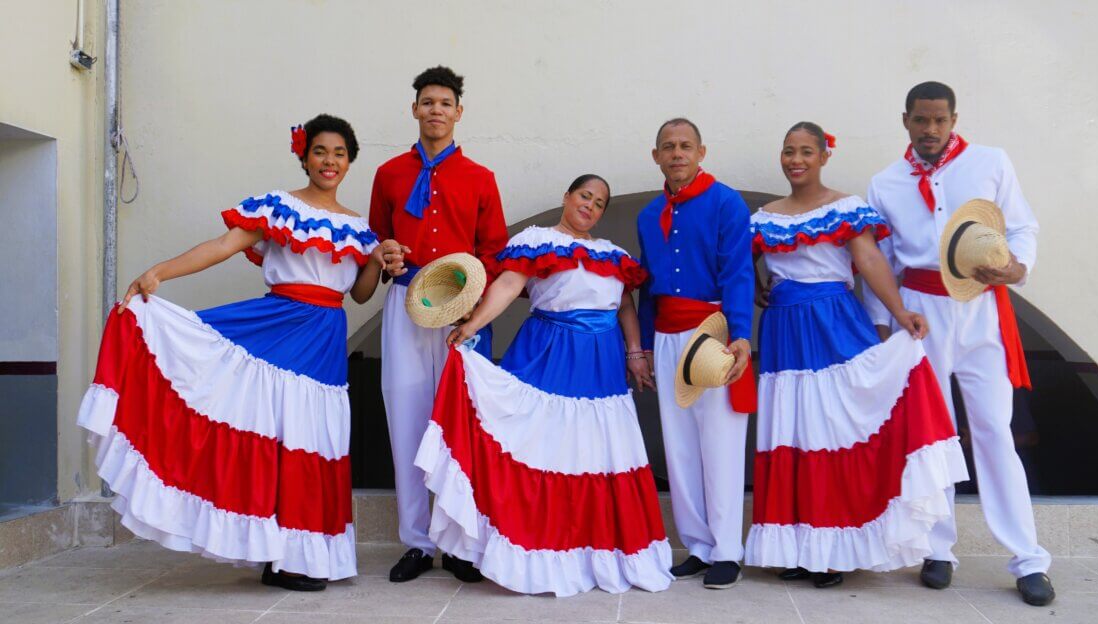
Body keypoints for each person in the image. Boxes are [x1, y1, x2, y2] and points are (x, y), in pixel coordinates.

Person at [76, 114, 403, 591]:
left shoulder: (359, 227)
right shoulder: (279, 207)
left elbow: (358, 295)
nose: (329, 161)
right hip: (277, 325)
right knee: (270, 435)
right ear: (304, 156)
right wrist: (161, 273)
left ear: (350, 161)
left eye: (338, 154)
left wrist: (375, 260)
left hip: (324, 336)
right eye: (319, 152)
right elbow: (225, 245)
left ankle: (291, 554)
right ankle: (281, 557)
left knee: (308, 440)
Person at [412, 175, 671, 596]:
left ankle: (588, 553)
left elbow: (625, 304)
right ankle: (529, 551)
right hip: (549, 355)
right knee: (541, 449)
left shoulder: (613, 254)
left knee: (592, 455)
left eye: (600, 202)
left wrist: (636, 351)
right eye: (584, 196)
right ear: (566, 197)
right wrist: (472, 325)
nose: (590, 206)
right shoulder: (538, 240)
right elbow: (509, 285)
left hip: (601, 365)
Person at [744, 122, 968, 587]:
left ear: (825, 156)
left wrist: (901, 311)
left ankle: (835, 550)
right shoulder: (765, 216)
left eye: (806, 151)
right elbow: (743, 268)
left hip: (833, 323)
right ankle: (801, 547)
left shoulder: (844, 207)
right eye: (788, 151)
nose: (796, 159)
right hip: (784, 329)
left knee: (835, 430)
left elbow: (868, 260)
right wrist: (761, 287)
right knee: (795, 432)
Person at [862, 81, 1054, 606]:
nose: (930, 130)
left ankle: (1028, 557)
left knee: (996, 431)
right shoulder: (885, 182)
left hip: (981, 309)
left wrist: (1017, 266)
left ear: (953, 119)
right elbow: (880, 259)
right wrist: (884, 322)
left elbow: (1022, 227)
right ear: (906, 120)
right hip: (920, 314)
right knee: (932, 434)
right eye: (921, 121)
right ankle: (938, 550)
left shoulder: (990, 161)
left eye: (939, 121)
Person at [369, 65, 509, 583]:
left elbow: (493, 250)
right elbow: (376, 239)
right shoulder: (388, 174)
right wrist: (383, 252)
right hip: (406, 307)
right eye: (427, 102)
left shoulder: (480, 178)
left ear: (458, 112)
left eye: (445, 103)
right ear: (415, 110)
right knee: (405, 418)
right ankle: (416, 542)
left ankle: (458, 543)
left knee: (457, 425)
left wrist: (475, 312)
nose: (435, 110)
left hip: (462, 317)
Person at [636, 118, 756, 590]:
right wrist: (642, 348)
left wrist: (741, 334)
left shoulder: (726, 202)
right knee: (680, 444)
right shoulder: (649, 215)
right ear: (656, 156)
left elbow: (739, 272)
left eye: (686, 146)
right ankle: (698, 546)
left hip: (712, 333)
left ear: (701, 151)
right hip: (666, 336)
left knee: (721, 443)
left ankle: (728, 550)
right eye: (668, 146)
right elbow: (645, 289)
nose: (677, 153)